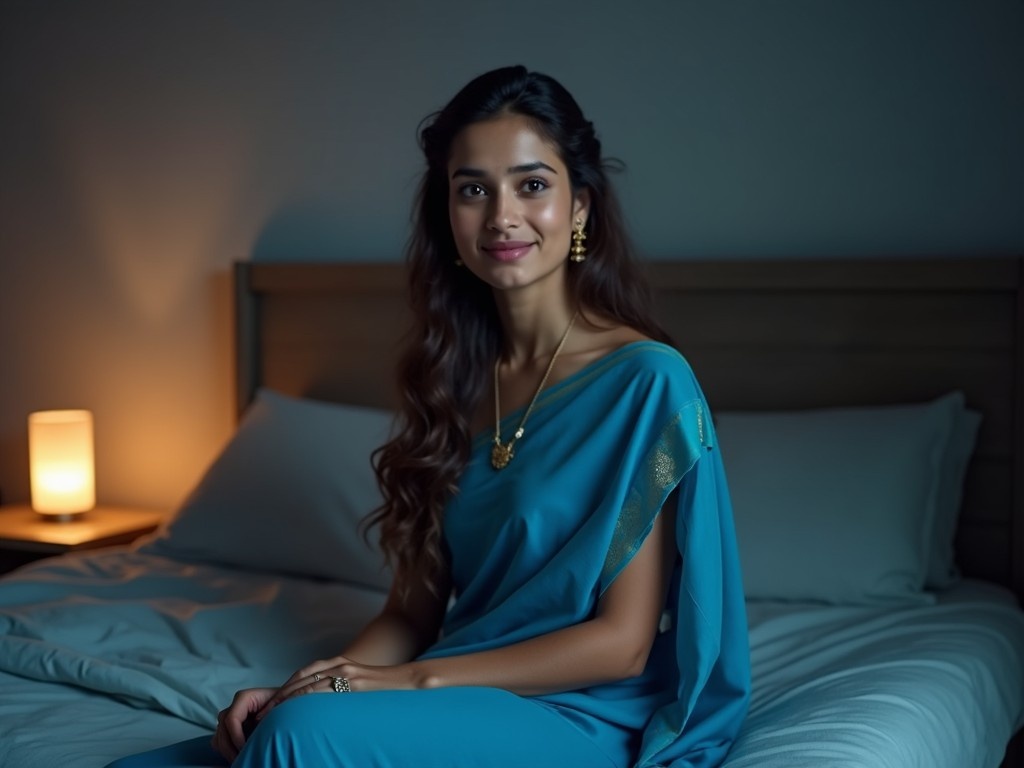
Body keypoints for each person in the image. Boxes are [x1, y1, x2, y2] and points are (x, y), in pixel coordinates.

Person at [106, 64, 750, 768]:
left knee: (297, 741)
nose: (502, 215)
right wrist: (314, 685)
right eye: (473, 189)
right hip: (450, 687)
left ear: (580, 207)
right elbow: (411, 614)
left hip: (578, 710)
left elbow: (623, 645)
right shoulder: (453, 380)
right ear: (448, 213)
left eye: (532, 185)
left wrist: (407, 681)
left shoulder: (647, 381)